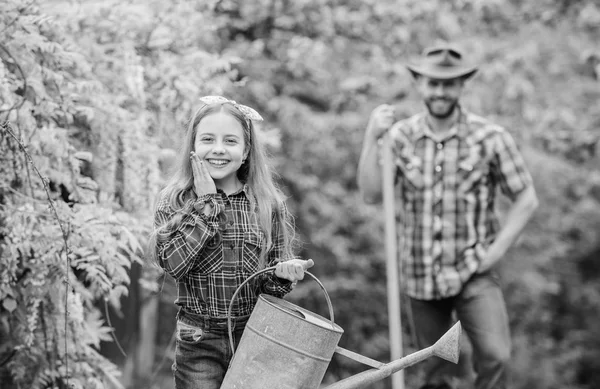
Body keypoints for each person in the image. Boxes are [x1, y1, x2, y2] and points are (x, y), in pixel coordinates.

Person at [357, 45, 539, 389]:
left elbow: (526, 199)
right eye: (432, 83)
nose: (440, 91)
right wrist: (372, 136)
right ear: (420, 84)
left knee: (495, 356)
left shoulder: (490, 138)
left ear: (461, 86)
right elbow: (370, 193)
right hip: (420, 274)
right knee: (436, 371)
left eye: (448, 84)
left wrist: (495, 253)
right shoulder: (400, 137)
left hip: (474, 271)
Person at [148, 95, 314, 389]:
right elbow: (174, 266)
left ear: (247, 150)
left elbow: (269, 287)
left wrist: (281, 274)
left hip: (254, 335)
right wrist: (207, 203)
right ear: (193, 147)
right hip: (199, 340)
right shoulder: (176, 200)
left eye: (230, 141)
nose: (218, 149)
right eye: (208, 139)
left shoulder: (265, 203)